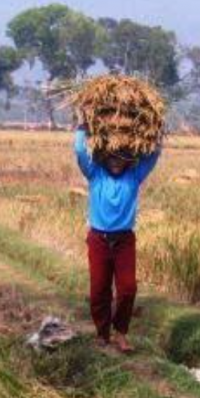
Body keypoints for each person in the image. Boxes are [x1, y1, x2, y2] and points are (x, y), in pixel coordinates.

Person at [74, 125, 161, 353]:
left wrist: (155, 129)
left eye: (121, 157)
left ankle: (121, 333)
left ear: (128, 159)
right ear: (104, 156)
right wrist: (82, 128)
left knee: (127, 289)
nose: (115, 162)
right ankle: (102, 334)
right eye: (112, 157)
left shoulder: (134, 176)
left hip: (124, 241)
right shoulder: (95, 174)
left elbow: (153, 155)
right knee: (99, 290)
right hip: (98, 240)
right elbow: (80, 151)